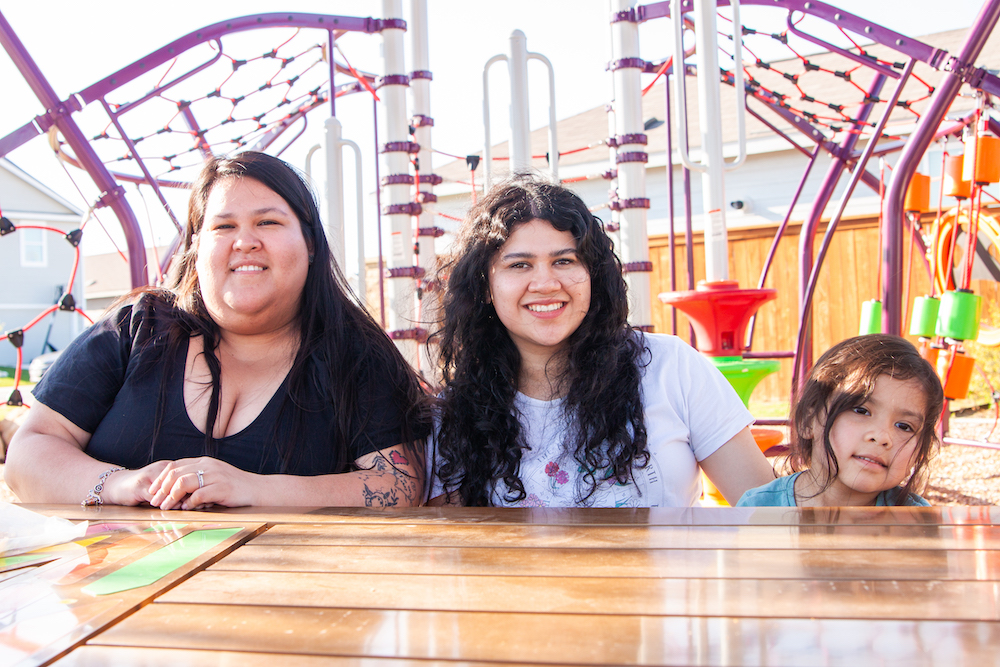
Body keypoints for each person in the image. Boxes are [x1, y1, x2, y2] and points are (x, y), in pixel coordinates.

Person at [6, 151, 432, 510]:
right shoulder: (138, 327)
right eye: (223, 226)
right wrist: (122, 485)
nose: (244, 241)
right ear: (195, 249)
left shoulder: (354, 353)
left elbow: (400, 485)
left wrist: (255, 489)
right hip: (109, 595)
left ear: (311, 244)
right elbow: (28, 454)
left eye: (268, 222)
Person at [428, 175, 775, 507]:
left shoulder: (671, 368)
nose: (546, 283)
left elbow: (768, 510)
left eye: (564, 260)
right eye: (520, 265)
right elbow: (456, 550)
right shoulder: (456, 414)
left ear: (593, 274)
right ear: (484, 287)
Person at [737, 334, 943, 507]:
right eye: (861, 410)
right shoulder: (759, 509)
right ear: (808, 420)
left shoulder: (917, 521)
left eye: (904, 426)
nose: (882, 437)